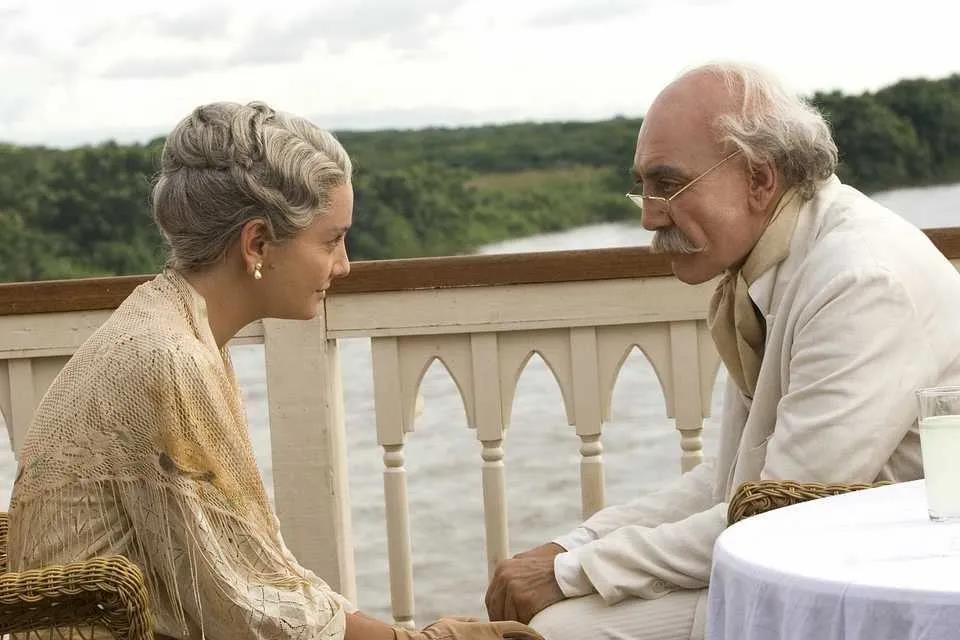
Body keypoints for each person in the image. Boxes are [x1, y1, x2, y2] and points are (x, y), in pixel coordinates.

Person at [7, 101, 542, 640]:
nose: (344, 265)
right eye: (331, 240)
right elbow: (248, 606)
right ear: (257, 243)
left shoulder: (168, 325)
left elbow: (248, 574)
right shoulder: (166, 357)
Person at [484, 62, 960, 640]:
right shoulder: (778, 259)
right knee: (552, 622)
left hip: (890, 589)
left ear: (759, 179)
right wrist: (574, 546)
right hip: (830, 561)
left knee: (559, 629)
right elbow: (735, 482)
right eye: (644, 186)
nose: (648, 215)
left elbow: (782, 510)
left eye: (667, 184)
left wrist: (574, 571)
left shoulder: (859, 281)